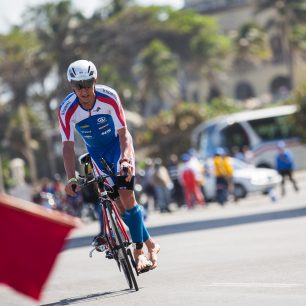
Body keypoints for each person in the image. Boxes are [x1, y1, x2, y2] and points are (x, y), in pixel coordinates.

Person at [58, 59, 160, 272]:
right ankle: (152, 244)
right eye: (78, 85)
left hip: (118, 147)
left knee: (127, 196)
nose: (84, 90)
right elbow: (67, 146)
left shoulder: (109, 97)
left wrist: (124, 158)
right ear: (72, 86)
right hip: (97, 154)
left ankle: (139, 253)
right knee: (120, 206)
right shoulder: (67, 109)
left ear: (95, 80)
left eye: (87, 83)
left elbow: (123, 133)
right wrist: (71, 178)